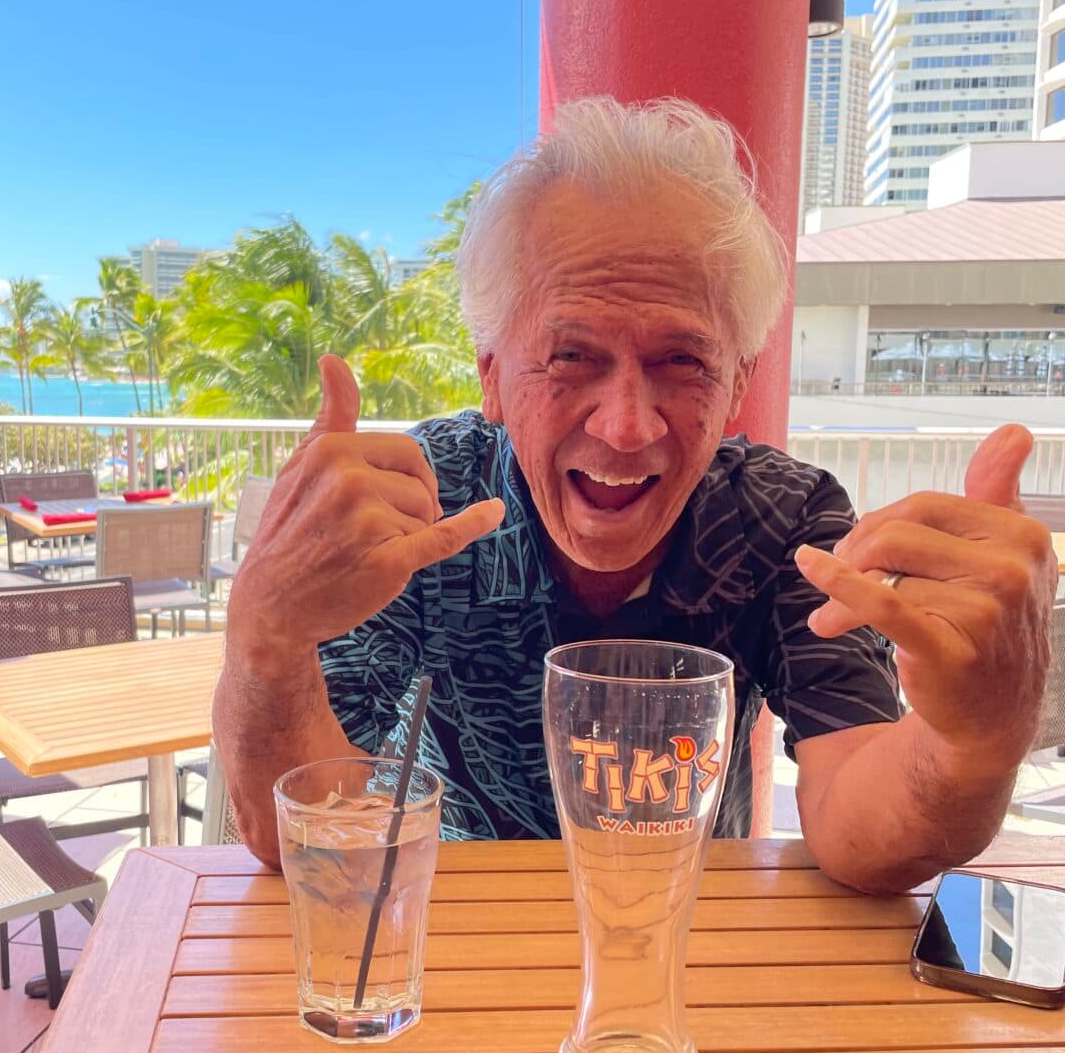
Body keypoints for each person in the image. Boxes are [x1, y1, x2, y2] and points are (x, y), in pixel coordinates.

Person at [213, 97, 1055, 893]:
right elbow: (302, 829)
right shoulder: (417, 506)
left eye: (681, 362)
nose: (625, 427)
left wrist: (972, 742)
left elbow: (855, 827)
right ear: (494, 376)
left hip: (680, 962)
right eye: (572, 355)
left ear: (735, 388)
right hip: (447, 940)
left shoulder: (783, 521)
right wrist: (266, 637)